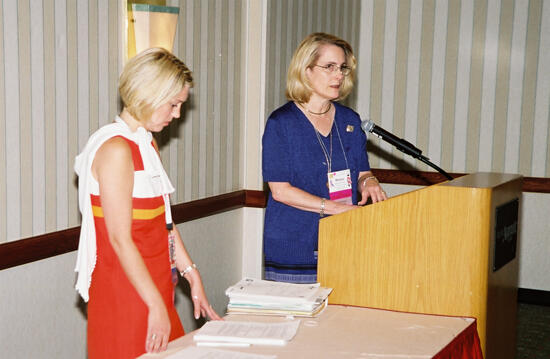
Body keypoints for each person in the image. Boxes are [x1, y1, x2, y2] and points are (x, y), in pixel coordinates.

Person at [74, 47, 221, 359]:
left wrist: (192, 273)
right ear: (149, 95)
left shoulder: (146, 143)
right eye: (173, 104)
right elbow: (118, 237)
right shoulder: (115, 150)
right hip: (124, 292)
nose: (177, 114)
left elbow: (164, 222)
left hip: (155, 285)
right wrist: (155, 305)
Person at [262, 33, 388, 284]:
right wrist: (335, 208)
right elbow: (280, 191)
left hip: (343, 242)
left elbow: (362, 172)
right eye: (329, 67)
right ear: (306, 70)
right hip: (295, 245)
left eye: (342, 68)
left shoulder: (349, 121)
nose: (339, 75)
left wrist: (370, 181)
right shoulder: (282, 123)